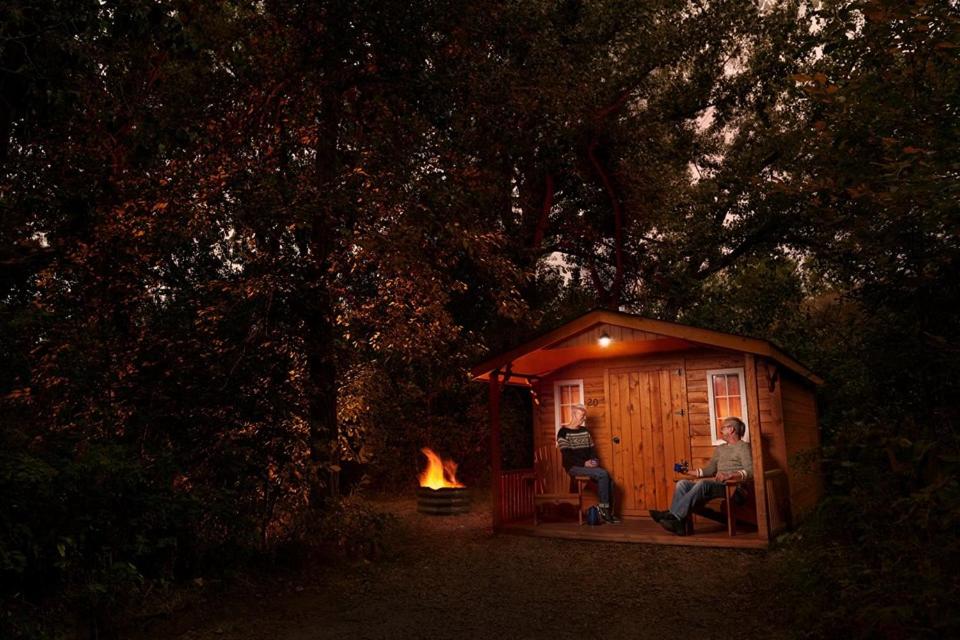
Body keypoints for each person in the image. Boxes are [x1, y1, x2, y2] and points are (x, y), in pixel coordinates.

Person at [650, 416, 752, 535]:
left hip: (735, 488)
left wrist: (730, 475)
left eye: (723, 428)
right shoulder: (721, 449)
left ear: (731, 429)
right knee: (682, 484)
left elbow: (751, 470)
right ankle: (679, 524)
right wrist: (687, 471)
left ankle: (672, 515)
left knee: (703, 483)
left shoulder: (743, 447)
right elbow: (709, 470)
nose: (720, 431)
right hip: (719, 484)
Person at [557, 403, 621, 524]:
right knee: (603, 474)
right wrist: (584, 463)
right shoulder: (563, 432)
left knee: (610, 481)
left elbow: (592, 451)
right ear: (574, 414)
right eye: (582, 415)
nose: (584, 418)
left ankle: (608, 513)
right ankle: (604, 509)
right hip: (573, 467)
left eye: (585, 416)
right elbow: (567, 456)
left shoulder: (585, 431)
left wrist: (594, 460)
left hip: (587, 466)